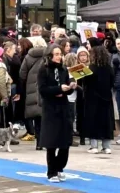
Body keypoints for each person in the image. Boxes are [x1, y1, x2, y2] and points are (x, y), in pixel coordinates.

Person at [38, 43, 76, 183]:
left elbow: (67, 86)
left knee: (65, 141)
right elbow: (43, 90)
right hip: (50, 108)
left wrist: (71, 87)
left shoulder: (64, 69)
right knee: (51, 142)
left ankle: (60, 167)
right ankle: (51, 171)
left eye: (60, 54)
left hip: (64, 107)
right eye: (57, 54)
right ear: (50, 55)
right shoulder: (44, 70)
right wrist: (59, 89)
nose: (59, 57)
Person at [84, 41, 115, 154]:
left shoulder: (91, 68)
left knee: (93, 120)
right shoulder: (109, 68)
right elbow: (112, 82)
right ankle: (107, 146)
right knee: (106, 121)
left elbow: (85, 82)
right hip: (106, 98)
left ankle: (94, 146)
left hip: (92, 98)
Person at [21, 36, 47, 145]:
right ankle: (44, 141)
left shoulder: (28, 57)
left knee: (36, 117)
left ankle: (38, 143)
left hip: (31, 89)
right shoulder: (48, 56)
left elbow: (22, 74)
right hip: (44, 87)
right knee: (44, 116)